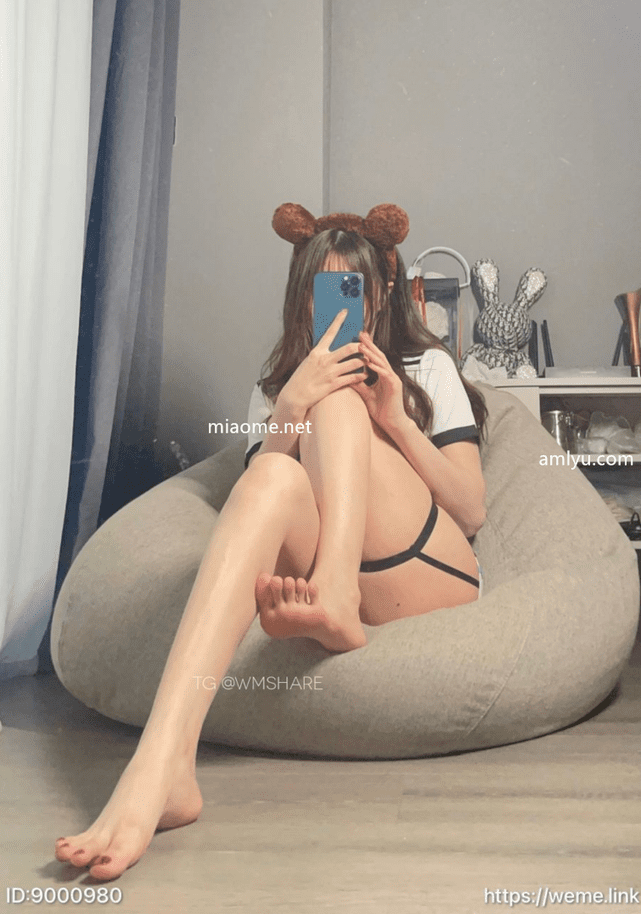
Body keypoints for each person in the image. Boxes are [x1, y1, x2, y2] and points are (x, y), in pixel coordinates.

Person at [54, 203, 487, 881]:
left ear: (380, 293)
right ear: (301, 296)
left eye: (352, 288)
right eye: (323, 288)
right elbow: (261, 508)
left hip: (428, 570)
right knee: (276, 467)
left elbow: (470, 510)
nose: (337, 305)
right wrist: (288, 409)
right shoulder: (275, 389)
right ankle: (162, 766)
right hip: (338, 563)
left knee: (338, 399)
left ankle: (335, 592)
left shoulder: (425, 367)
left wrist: (396, 420)